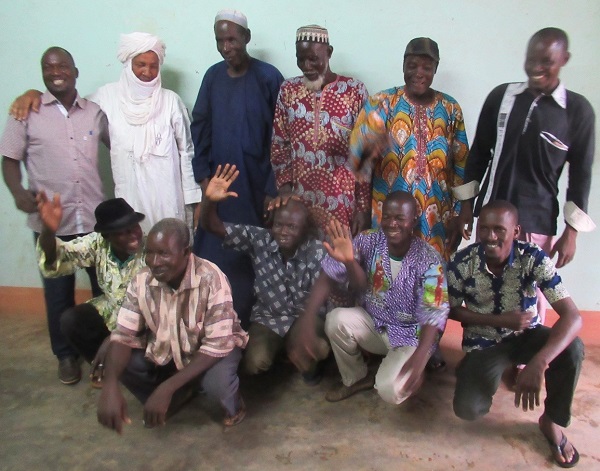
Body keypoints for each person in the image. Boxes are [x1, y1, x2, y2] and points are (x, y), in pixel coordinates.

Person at [455, 28, 595, 325]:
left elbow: (580, 177)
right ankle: (485, 351)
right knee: (484, 285)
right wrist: (467, 205)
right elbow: (479, 151)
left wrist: (572, 232)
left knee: (529, 295)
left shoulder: (577, 111)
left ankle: (525, 362)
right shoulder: (502, 96)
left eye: (546, 61)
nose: (535, 69)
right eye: (530, 60)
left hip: (537, 222)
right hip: (492, 217)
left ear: (564, 59)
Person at [10, 32, 201, 234]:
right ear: (128, 64)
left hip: (170, 201)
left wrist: (194, 201)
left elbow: (187, 153)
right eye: (141, 64)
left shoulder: (171, 102)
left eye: (153, 66)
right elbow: (69, 108)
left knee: (173, 253)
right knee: (132, 258)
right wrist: (35, 94)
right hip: (130, 203)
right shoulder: (105, 98)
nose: (147, 71)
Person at [447, 200, 584, 468]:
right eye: (483, 228)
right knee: (468, 410)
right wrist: (498, 320)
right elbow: (449, 311)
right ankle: (475, 369)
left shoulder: (532, 257)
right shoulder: (463, 262)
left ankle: (551, 422)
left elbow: (573, 317)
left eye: (499, 229)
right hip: (483, 343)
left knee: (573, 349)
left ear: (516, 231)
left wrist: (539, 363)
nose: (490, 236)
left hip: (527, 336)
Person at [1, 47, 108, 385]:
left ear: (75, 72)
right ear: (42, 73)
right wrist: (19, 194)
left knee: (101, 290)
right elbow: (9, 159)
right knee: (57, 292)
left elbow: (121, 146)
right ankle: (65, 356)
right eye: (48, 66)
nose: (56, 71)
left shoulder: (95, 112)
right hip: (52, 222)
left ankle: (102, 351)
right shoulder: (25, 113)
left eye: (63, 65)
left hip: (92, 218)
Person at [289, 191, 449, 404]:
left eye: (400, 218)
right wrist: (308, 319)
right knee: (336, 320)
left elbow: (434, 311)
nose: (392, 224)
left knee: (390, 391)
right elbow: (328, 275)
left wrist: (420, 357)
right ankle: (356, 378)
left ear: (413, 221)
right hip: (376, 323)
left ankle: (409, 366)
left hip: (411, 334)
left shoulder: (428, 258)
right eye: (387, 217)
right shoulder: (368, 240)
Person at [97, 218, 248, 433]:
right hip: (169, 348)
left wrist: (166, 387)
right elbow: (123, 335)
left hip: (212, 351)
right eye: (149, 253)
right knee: (122, 359)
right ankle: (178, 393)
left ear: (186, 253)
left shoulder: (211, 278)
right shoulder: (142, 280)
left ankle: (233, 406)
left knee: (219, 384)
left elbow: (216, 346)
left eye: (164, 254)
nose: (155, 262)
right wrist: (110, 385)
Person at [191, 10, 284, 328]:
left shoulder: (269, 77)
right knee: (215, 255)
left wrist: (273, 188)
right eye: (220, 40)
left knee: (252, 258)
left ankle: (251, 329)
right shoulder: (212, 77)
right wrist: (203, 177)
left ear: (246, 37)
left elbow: (282, 136)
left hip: (256, 186)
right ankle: (215, 327)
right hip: (219, 188)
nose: (226, 46)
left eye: (232, 38)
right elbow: (200, 126)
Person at [200, 164, 329, 381]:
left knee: (317, 349)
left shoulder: (316, 250)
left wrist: (307, 326)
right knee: (254, 364)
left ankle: (301, 357)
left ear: (304, 229)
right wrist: (209, 201)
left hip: (305, 317)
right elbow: (213, 226)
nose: (283, 232)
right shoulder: (260, 239)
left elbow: (324, 290)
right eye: (279, 225)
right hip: (270, 318)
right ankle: (281, 353)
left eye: (292, 227)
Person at [348, 37, 469, 260]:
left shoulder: (451, 109)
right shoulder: (381, 103)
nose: (419, 73)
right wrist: (363, 209)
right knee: (385, 279)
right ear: (403, 66)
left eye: (427, 67)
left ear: (436, 69)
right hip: (389, 218)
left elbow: (461, 167)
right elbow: (359, 163)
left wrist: (458, 215)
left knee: (429, 284)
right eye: (412, 66)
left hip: (436, 221)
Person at [270, 25, 370, 237]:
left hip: (343, 205)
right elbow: (280, 145)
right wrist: (285, 189)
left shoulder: (354, 91)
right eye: (300, 59)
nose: (306, 66)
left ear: (329, 52)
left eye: (313, 58)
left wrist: (362, 207)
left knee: (340, 265)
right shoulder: (288, 90)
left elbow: (365, 155)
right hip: (299, 205)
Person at [37, 193, 146, 387]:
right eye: (123, 231)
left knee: (141, 363)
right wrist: (48, 231)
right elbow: (61, 255)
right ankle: (102, 363)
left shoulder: (151, 252)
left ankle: (123, 363)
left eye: (135, 226)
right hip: (112, 310)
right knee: (71, 319)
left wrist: (117, 337)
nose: (134, 234)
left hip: (145, 321)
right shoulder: (98, 244)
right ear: (106, 235)